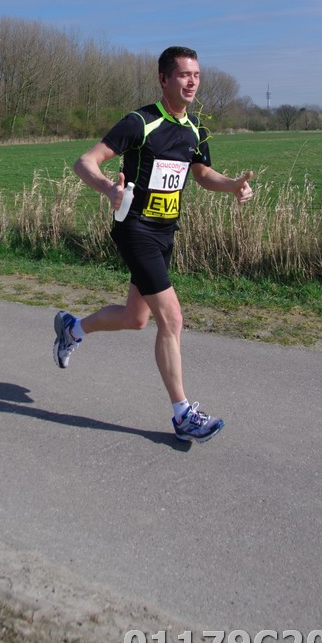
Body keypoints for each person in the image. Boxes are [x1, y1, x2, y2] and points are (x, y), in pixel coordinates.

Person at [53, 46, 253, 444]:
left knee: (136, 318)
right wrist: (108, 188)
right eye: (183, 75)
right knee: (172, 319)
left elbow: (202, 174)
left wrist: (232, 185)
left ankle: (73, 329)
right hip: (136, 229)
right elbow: (85, 162)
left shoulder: (196, 129)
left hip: (165, 233)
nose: (192, 82)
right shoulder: (140, 122)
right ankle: (183, 414)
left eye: (196, 75)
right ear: (163, 79)